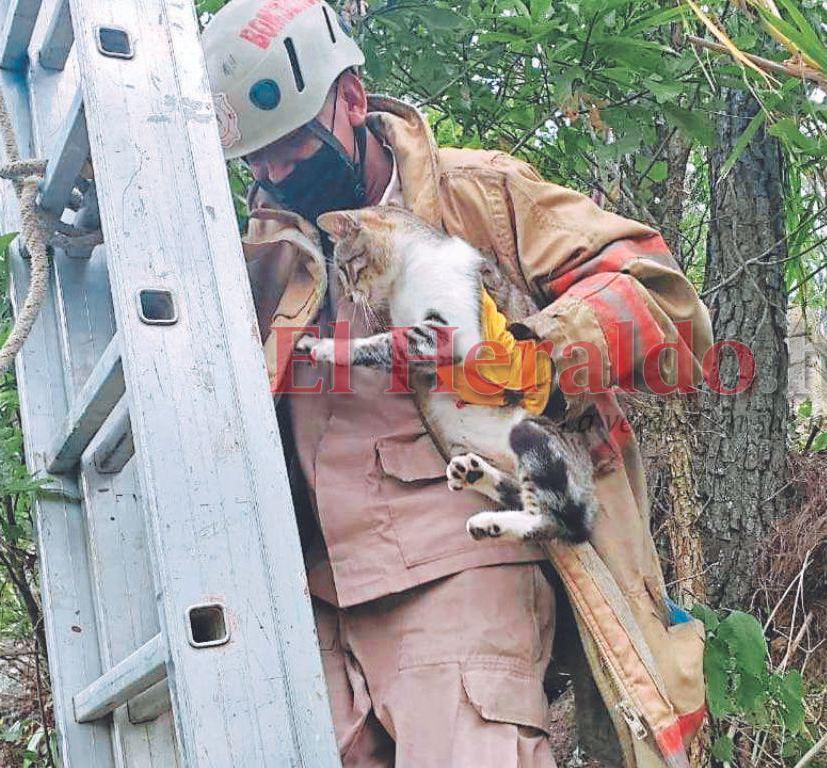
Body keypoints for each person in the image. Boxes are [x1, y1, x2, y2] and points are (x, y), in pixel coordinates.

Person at [201, 2, 712, 766]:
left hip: (463, 567)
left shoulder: (478, 194)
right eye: (258, 159)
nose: (274, 174)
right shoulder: (256, 251)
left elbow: (660, 293)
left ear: (349, 100)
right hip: (311, 603)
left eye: (291, 147)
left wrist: (538, 354)